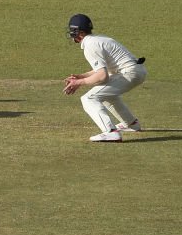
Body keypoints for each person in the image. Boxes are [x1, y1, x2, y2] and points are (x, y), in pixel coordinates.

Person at [63, 13, 147, 142]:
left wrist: (80, 82)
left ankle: (111, 132)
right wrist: (82, 76)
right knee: (106, 94)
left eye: (72, 31)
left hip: (129, 72)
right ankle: (131, 123)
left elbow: (102, 76)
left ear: (79, 32)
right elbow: (104, 69)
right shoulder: (97, 39)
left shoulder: (90, 45)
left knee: (89, 98)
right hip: (136, 71)